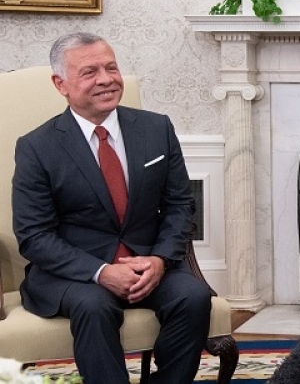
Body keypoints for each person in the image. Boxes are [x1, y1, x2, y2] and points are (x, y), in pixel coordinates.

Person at [12, 32, 212, 384]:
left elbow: (180, 205)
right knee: (94, 306)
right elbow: (34, 236)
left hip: (147, 263)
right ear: (61, 83)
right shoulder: (36, 147)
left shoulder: (157, 129)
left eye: (111, 67)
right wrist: (102, 272)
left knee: (193, 296)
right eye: (90, 72)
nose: (106, 79)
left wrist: (160, 260)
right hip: (75, 274)